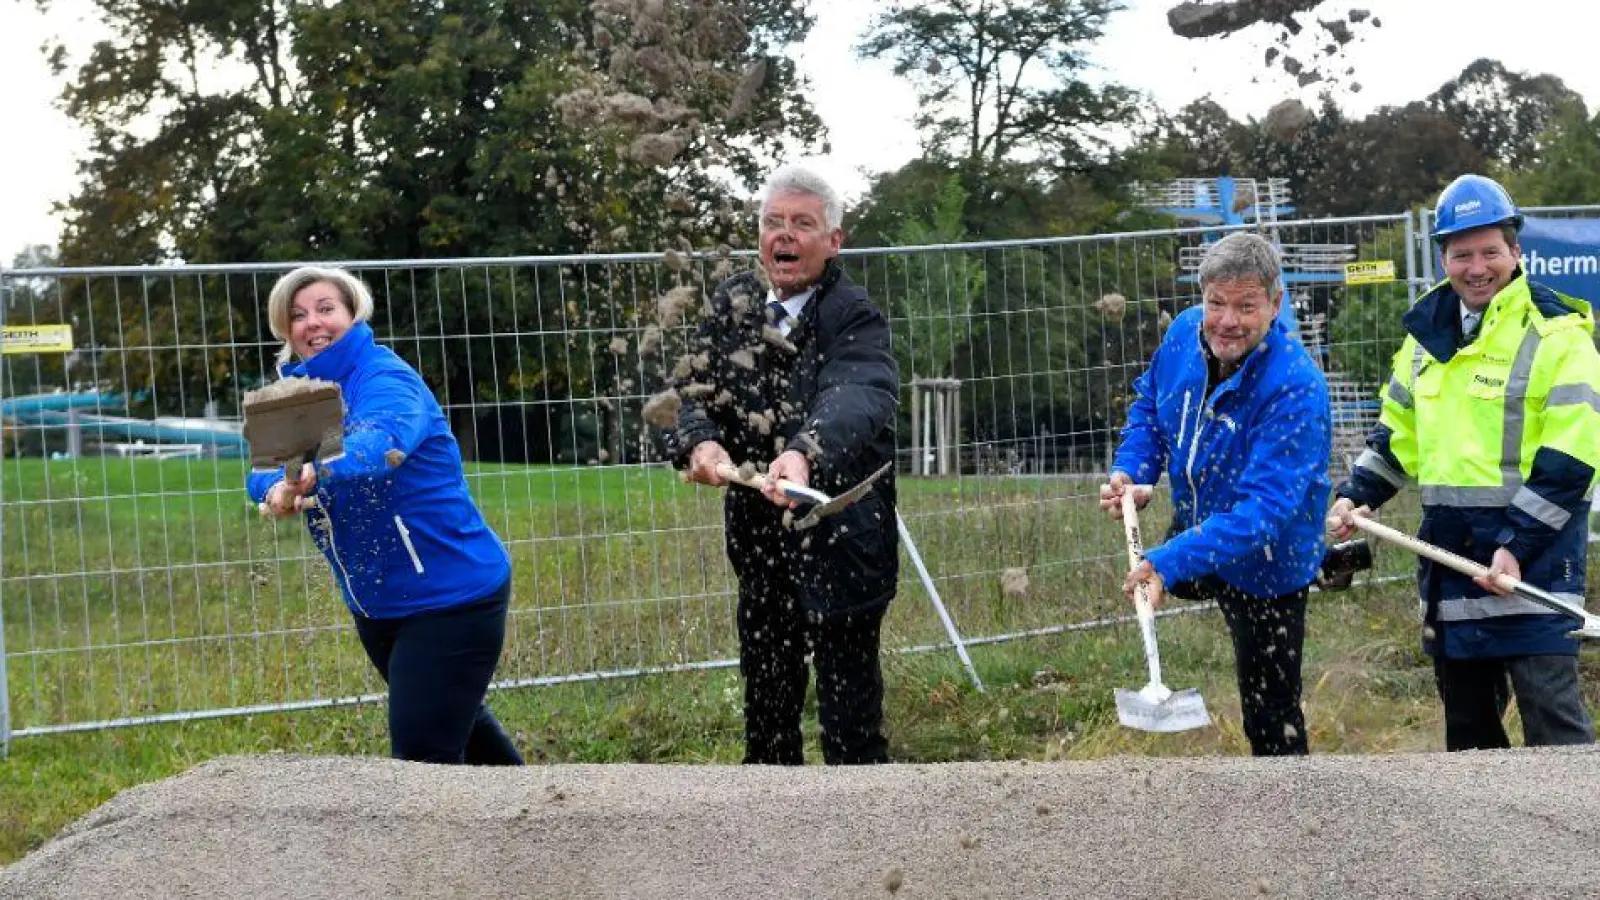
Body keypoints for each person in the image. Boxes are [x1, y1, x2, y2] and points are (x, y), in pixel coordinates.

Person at [1328, 174, 1599, 751]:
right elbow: (1398, 437)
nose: (1477, 268)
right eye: (1461, 254)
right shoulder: (1425, 341)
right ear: (1443, 258)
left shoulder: (1559, 334)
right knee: (1471, 741)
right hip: (1451, 559)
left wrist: (1516, 546)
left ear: (1516, 252)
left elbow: (1572, 460)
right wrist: (1360, 495)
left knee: (1556, 729)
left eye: (1490, 252)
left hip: (1535, 564)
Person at [669, 164, 899, 765]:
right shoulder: (733, 305)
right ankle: (766, 844)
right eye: (773, 223)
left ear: (833, 240)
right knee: (767, 718)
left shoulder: (854, 315)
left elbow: (856, 394)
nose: (784, 236)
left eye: (802, 224)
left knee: (851, 723)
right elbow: (693, 393)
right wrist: (700, 444)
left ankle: (864, 842)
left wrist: (803, 452)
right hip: (760, 541)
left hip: (842, 538)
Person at [248, 265, 524, 766]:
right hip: (379, 604)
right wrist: (275, 491)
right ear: (284, 329)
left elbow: (378, 446)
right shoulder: (294, 392)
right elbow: (260, 470)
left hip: (450, 596)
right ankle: (548, 824)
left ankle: (448, 845)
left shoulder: (386, 378)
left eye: (326, 308)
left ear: (353, 312)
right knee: (460, 732)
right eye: (298, 315)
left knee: (422, 756)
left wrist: (310, 473)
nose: (313, 323)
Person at [1100, 232, 1331, 756]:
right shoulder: (1184, 334)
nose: (1228, 320)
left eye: (1246, 306)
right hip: (1200, 522)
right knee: (1183, 568)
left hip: (1268, 557)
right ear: (1201, 297)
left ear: (1275, 303)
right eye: (1216, 303)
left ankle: (1288, 809)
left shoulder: (1295, 385)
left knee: (1270, 708)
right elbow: (1149, 410)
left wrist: (1163, 563)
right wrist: (1133, 472)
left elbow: (1261, 514)